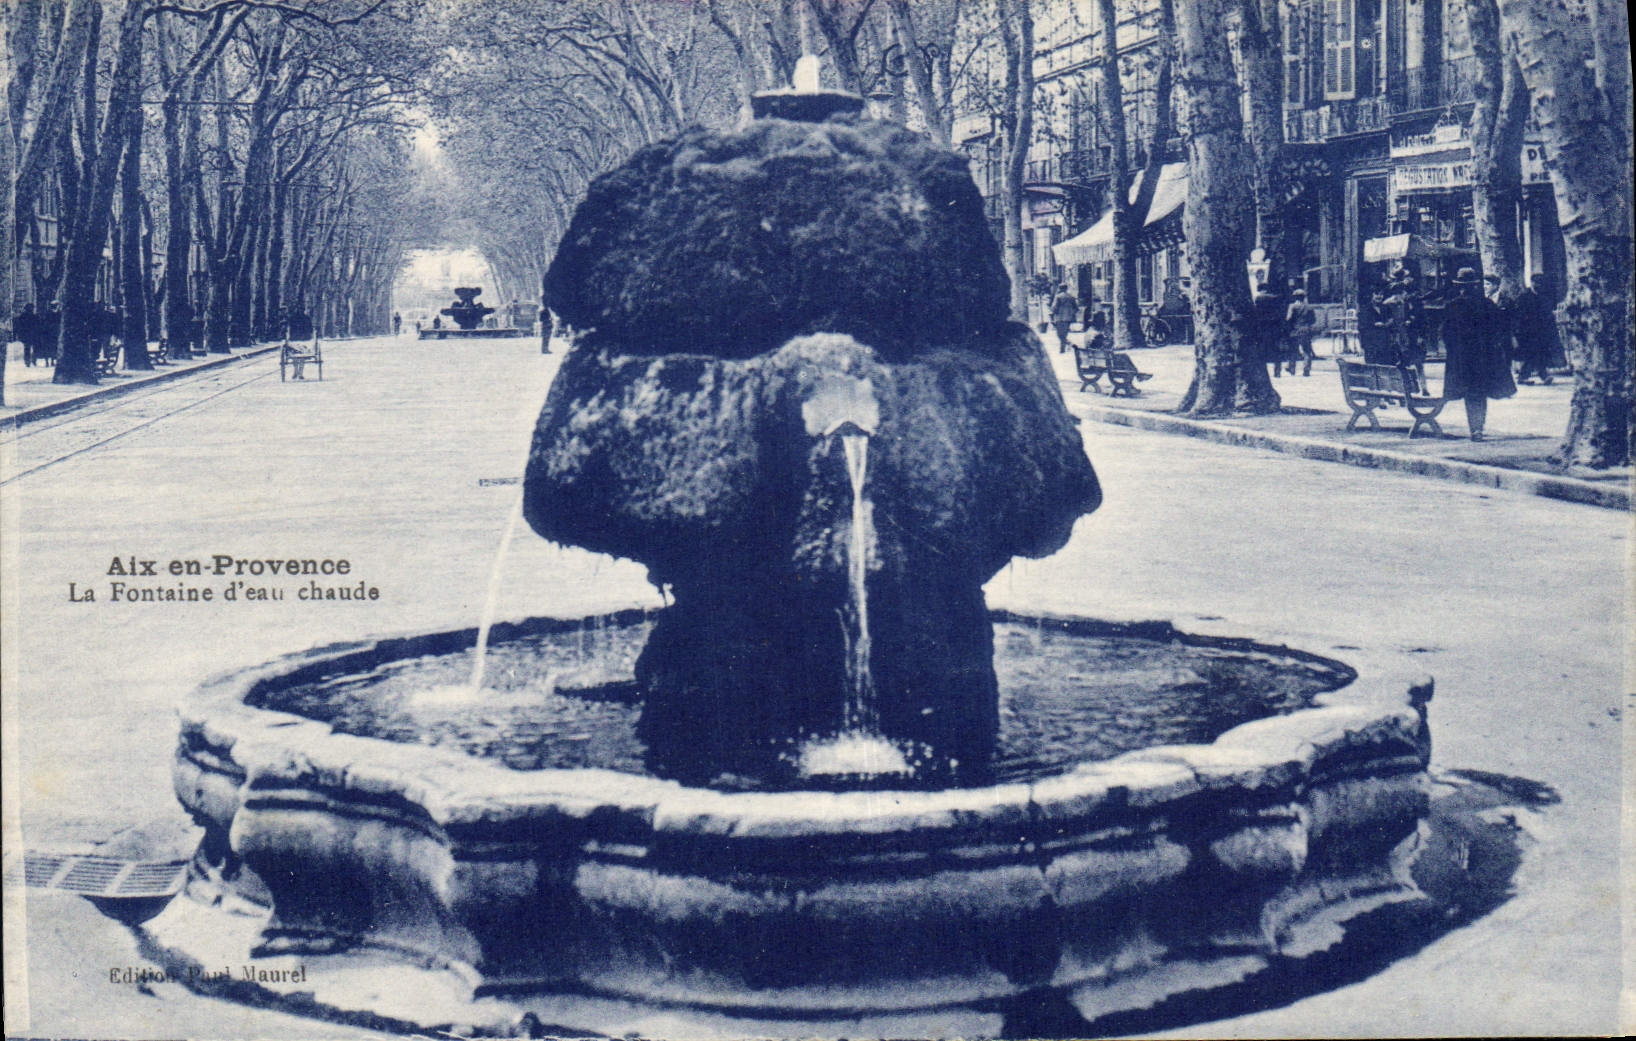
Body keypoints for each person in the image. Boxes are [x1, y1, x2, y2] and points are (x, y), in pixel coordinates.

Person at [1441, 267, 1516, 442]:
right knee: (1479, 392)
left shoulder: (1452, 306)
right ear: (1475, 285)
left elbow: (1445, 333)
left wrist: (1454, 351)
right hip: (1483, 357)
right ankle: (1478, 428)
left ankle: (1474, 428)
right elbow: (1498, 330)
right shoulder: (1487, 305)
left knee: (1469, 393)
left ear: (1460, 287)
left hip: (1461, 358)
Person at [1512, 274, 1563, 385]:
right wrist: (1517, 332)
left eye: (1540, 283)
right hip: (1527, 332)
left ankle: (1530, 376)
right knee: (1533, 354)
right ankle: (1539, 375)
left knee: (1538, 354)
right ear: (1531, 283)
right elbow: (1518, 315)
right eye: (1535, 282)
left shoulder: (1544, 298)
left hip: (1541, 332)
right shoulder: (1524, 298)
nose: (1538, 285)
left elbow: (1548, 316)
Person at [1251, 280, 1286, 379]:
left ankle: (1262, 373)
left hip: (1262, 327)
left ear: (1259, 289)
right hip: (1274, 327)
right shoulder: (1275, 298)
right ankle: (1277, 371)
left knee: (1261, 350)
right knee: (1276, 350)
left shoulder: (1257, 298)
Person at [1285, 288, 1317, 376]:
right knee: (1307, 350)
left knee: (1293, 350)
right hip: (1306, 330)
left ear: (1295, 297)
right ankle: (1306, 369)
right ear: (1304, 297)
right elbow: (1313, 320)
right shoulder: (1309, 307)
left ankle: (1292, 368)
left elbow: (1288, 319)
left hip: (1294, 330)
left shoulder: (1292, 306)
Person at [1048, 283, 1080, 354]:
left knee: (1059, 334)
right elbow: (1076, 309)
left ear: (1060, 288)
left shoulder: (1058, 297)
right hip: (1068, 318)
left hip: (1060, 317)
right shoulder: (1071, 297)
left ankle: (1069, 345)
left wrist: (1052, 313)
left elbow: (1054, 308)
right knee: (1064, 334)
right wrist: (1071, 313)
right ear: (1066, 288)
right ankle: (1063, 349)